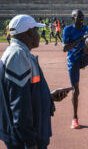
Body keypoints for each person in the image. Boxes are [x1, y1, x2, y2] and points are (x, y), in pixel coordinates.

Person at [0, 14, 70, 149]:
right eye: (36, 31)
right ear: (29, 32)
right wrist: (30, 142)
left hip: (27, 136)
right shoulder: (18, 55)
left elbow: (23, 93)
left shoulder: (19, 53)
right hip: (24, 140)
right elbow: (19, 105)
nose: (38, 34)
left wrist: (48, 97)